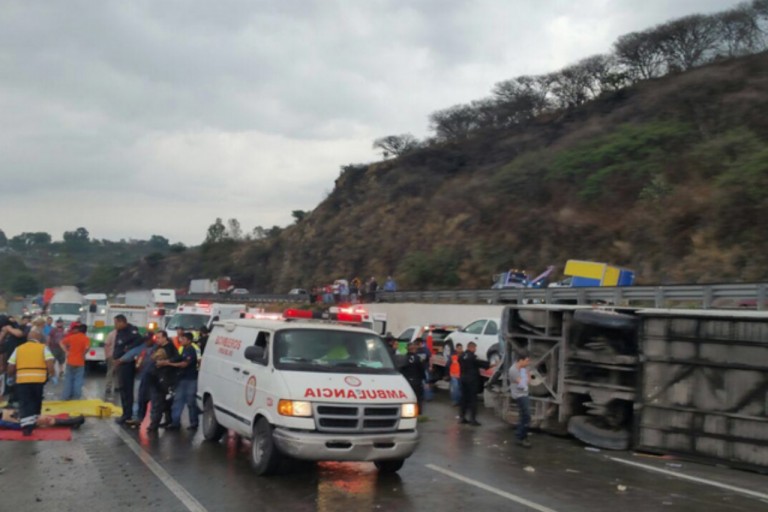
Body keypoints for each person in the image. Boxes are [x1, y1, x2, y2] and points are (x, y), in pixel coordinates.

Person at [6, 331, 55, 435]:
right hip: (38, 380)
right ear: (39, 338)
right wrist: (52, 374)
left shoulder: (19, 349)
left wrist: (10, 376)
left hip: (22, 380)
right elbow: (50, 363)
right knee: (36, 401)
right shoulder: (43, 348)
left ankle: (27, 427)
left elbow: (11, 365)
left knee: (25, 402)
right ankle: (34, 422)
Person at [160, 331, 200, 430]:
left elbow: (184, 364)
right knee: (178, 401)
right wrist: (168, 361)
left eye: (183, 339)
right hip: (182, 379)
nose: (181, 340)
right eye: (181, 338)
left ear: (189, 341)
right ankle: (175, 423)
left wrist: (169, 364)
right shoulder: (183, 349)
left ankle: (194, 423)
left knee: (191, 402)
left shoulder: (191, 350)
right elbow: (178, 359)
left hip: (190, 379)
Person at [116, 333, 156, 424]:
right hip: (141, 377)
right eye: (146, 340)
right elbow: (130, 354)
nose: (147, 342)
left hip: (152, 377)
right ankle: (136, 416)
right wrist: (120, 360)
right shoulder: (142, 348)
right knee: (138, 398)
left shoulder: (156, 348)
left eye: (148, 340)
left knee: (151, 398)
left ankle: (150, 418)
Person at [112, 314, 143, 425]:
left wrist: (128, 349)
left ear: (122, 322)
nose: (115, 325)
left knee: (127, 391)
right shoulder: (120, 332)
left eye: (116, 323)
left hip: (127, 365)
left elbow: (139, 340)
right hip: (120, 364)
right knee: (122, 390)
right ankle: (125, 413)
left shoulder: (131, 331)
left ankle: (127, 414)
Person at [147, 330, 179, 432]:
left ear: (165, 337)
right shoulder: (158, 347)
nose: (158, 340)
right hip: (155, 377)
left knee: (157, 402)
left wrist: (166, 362)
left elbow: (177, 358)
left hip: (163, 379)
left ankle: (154, 424)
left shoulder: (169, 348)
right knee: (162, 402)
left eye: (160, 337)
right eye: (157, 338)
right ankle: (167, 420)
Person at [458, 341, 491, 426]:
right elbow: (483, 364)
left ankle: (462, 417)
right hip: (471, 381)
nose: (475, 350)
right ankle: (473, 419)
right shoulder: (473, 357)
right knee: (473, 400)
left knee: (464, 399)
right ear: (471, 348)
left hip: (463, 379)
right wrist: (493, 364)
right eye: (475, 348)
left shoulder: (461, 356)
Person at [60, 324, 91, 400]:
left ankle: (66, 396)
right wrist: (84, 354)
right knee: (78, 380)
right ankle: (76, 397)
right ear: (85, 331)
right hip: (80, 362)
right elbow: (87, 347)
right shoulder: (86, 339)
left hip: (70, 361)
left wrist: (66, 351)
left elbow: (61, 343)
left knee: (68, 379)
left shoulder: (72, 337)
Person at [509, 351, 532, 447]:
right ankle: (520, 436)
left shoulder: (522, 369)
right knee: (526, 416)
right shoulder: (513, 370)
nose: (528, 363)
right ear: (521, 360)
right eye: (527, 361)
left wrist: (526, 376)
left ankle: (522, 435)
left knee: (524, 416)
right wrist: (526, 377)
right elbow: (522, 383)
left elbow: (528, 381)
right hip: (519, 395)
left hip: (524, 393)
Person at [399, 342, 426, 416]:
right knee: (418, 398)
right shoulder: (418, 358)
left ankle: (405, 412)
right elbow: (421, 370)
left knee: (407, 398)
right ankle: (418, 413)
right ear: (414, 349)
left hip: (406, 381)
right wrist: (424, 379)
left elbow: (400, 370)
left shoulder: (403, 358)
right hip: (416, 381)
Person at [47, 318, 67, 382]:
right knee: (53, 360)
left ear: (63, 323)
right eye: (58, 323)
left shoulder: (64, 330)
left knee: (62, 360)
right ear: (56, 323)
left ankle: (61, 371)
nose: (59, 324)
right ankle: (52, 372)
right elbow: (49, 337)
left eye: (61, 323)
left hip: (62, 348)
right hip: (54, 347)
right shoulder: (53, 330)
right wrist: (48, 345)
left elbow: (67, 337)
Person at [103, 328, 117, 396]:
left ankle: (108, 387)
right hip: (120, 356)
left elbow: (106, 345)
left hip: (111, 355)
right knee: (119, 371)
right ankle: (117, 386)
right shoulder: (124, 335)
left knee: (110, 371)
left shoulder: (111, 334)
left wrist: (106, 356)